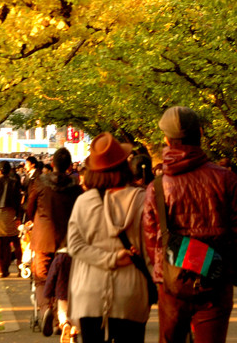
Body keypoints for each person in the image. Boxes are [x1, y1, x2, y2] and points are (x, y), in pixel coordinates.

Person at [142, 106, 237, 343]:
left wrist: (163, 274)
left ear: (166, 140)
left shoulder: (158, 187)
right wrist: (229, 273)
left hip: (173, 285)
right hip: (216, 282)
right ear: (200, 134)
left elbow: (151, 240)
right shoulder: (226, 179)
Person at [67, 132, 151, 343]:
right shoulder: (142, 200)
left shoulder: (84, 202)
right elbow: (152, 249)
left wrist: (108, 259)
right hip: (131, 292)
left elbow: (74, 245)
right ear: (125, 166)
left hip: (88, 292)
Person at [26, 147, 82, 337]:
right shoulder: (75, 186)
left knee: (41, 277)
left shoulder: (40, 183)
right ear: (69, 166)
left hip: (43, 237)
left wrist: (32, 219)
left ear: (52, 164)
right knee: (63, 279)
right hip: (67, 239)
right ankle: (61, 320)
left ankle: (45, 310)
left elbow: (29, 207)